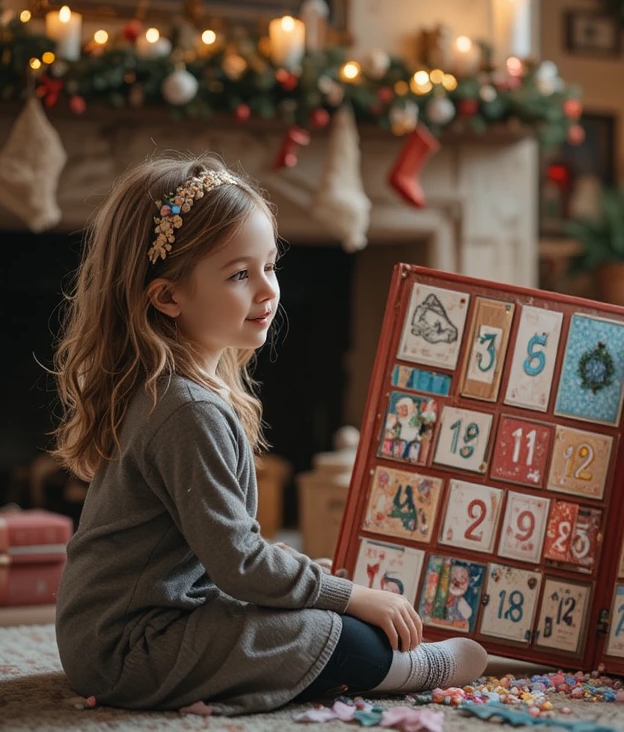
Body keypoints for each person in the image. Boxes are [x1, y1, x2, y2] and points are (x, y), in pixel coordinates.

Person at [51, 154, 486, 715]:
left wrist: (314, 587)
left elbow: (224, 555)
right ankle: (402, 668)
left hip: (127, 632)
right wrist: (353, 598)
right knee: (328, 632)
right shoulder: (186, 411)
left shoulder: (176, 390)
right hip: (129, 650)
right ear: (167, 297)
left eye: (270, 266)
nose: (266, 290)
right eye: (239, 274)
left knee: (306, 600)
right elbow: (240, 563)